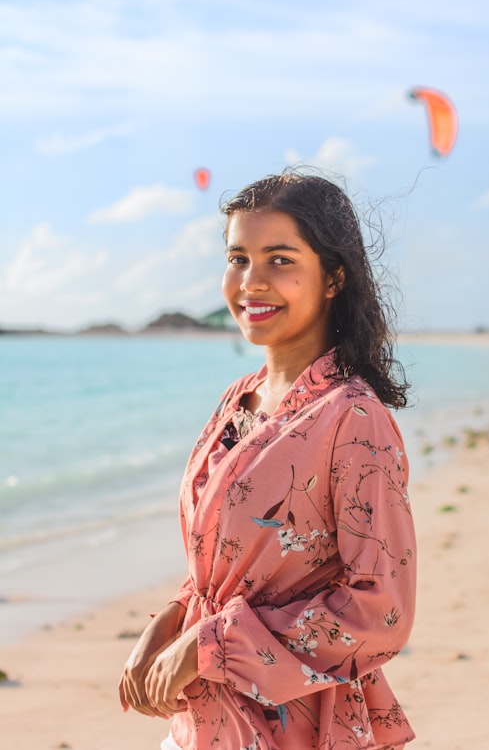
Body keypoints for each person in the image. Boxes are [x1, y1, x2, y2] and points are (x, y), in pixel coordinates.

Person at [119, 172, 416, 750]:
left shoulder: (352, 417)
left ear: (333, 277)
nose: (251, 283)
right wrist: (172, 620)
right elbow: (238, 567)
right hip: (205, 720)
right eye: (238, 257)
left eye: (279, 259)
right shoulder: (239, 399)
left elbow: (382, 610)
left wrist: (211, 644)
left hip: (295, 724)